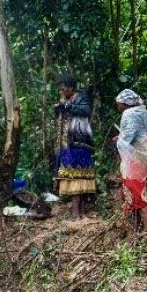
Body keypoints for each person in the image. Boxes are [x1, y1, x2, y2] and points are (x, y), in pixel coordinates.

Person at [54, 75, 95, 217]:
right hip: (66, 144)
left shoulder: (81, 97)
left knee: (80, 175)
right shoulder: (64, 99)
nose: (61, 92)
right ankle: (77, 212)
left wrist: (67, 106)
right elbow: (60, 116)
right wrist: (59, 108)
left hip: (79, 142)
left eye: (63, 89)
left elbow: (86, 111)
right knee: (71, 175)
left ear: (71, 88)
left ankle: (78, 212)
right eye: (60, 90)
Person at [114, 89, 147, 231]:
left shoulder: (128, 114)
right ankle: (141, 227)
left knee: (135, 191)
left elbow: (127, 139)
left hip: (135, 160)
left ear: (124, 104)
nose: (118, 107)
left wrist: (117, 142)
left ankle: (146, 228)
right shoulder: (143, 112)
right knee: (141, 190)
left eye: (118, 104)